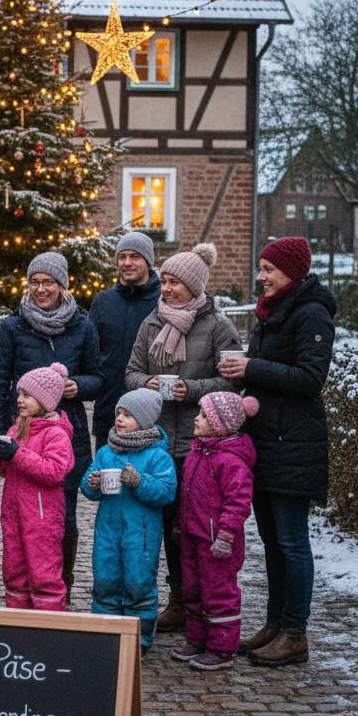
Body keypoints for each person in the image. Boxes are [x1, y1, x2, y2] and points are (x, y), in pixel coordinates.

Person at [219, 237, 336, 666]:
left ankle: (295, 632)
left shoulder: (311, 313)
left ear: (292, 272)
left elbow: (310, 377)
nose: (261, 276)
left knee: (291, 541)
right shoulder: (274, 312)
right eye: (261, 268)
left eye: (269, 270)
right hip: (267, 441)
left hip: (294, 443)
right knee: (270, 540)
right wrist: (242, 375)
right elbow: (271, 373)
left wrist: (252, 368)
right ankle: (274, 624)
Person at [123, 243, 241, 634]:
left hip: (198, 443)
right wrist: (149, 382)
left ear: (194, 285)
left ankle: (197, 602)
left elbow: (232, 381)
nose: (167, 289)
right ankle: (169, 600)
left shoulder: (218, 326)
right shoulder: (151, 322)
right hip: (155, 440)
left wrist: (189, 389)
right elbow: (132, 373)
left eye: (175, 283)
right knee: (160, 525)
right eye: (165, 282)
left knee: (190, 528)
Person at [0, 252, 102, 600]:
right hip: (21, 432)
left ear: (63, 285)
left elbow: (99, 376)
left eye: (47, 282)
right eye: (34, 282)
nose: (40, 289)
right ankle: (24, 587)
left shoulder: (82, 326)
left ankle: (58, 586)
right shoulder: (13, 326)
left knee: (63, 516)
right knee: (23, 513)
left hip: (66, 433)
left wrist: (77, 385)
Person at [81, 389, 177, 652]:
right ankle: (105, 634)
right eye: (119, 414)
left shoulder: (158, 456)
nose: (120, 419)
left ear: (145, 421)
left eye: (128, 415)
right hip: (108, 530)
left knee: (138, 582)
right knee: (106, 578)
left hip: (142, 533)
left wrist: (139, 481)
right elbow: (88, 487)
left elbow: (166, 492)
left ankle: (140, 639)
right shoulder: (105, 452)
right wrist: (92, 484)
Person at [172, 392, 259, 671]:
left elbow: (238, 503)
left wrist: (225, 535)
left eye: (204, 416)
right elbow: (187, 494)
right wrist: (181, 523)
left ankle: (222, 648)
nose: (196, 419)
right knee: (193, 588)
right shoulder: (198, 451)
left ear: (221, 424)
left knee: (219, 592)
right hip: (192, 535)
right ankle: (197, 639)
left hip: (217, 541)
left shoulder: (231, 461)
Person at [0, 362, 76, 611]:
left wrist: (16, 454)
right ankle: (18, 629)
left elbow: (54, 471)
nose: (20, 400)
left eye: (27, 395)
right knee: (14, 572)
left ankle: (48, 630)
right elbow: (5, 470)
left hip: (42, 518)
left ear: (45, 401)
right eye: (19, 394)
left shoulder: (56, 434)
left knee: (43, 573)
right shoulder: (17, 428)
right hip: (14, 514)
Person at [88, 232, 162, 449]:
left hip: (152, 412)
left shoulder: (164, 301)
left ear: (148, 262)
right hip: (110, 409)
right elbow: (91, 353)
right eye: (122, 257)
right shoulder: (103, 302)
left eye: (135, 257)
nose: (127, 263)